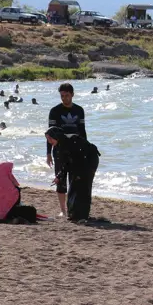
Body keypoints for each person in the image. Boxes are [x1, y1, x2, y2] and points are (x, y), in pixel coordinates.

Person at [47, 83, 88, 218]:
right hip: (59, 151)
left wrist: (86, 148)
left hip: (76, 149)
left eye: (67, 96)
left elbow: (82, 131)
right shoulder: (55, 111)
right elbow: (49, 134)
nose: (64, 99)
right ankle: (63, 210)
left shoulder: (79, 110)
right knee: (61, 179)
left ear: (72, 94)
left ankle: (72, 208)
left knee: (74, 180)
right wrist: (48, 153)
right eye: (62, 96)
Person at [45, 127, 100, 223]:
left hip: (89, 160)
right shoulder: (58, 146)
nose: (49, 142)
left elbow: (77, 159)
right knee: (73, 189)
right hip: (77, 162)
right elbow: (64, 163)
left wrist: (80, 174)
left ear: (56, 136)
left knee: (82, 188)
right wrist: (59, 176)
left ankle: (82, 216)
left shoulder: (71, 141)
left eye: (50, 138)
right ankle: (73, 215)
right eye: (47, 139)